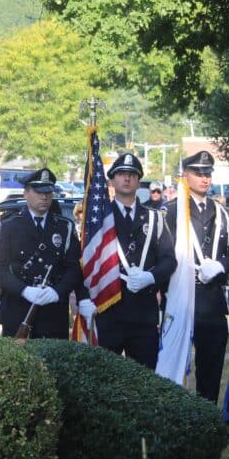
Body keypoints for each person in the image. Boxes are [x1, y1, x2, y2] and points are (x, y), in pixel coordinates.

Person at [163, 151, 229, 402]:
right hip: (181, 297)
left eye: (208, 173)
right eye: (198, 173)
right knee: (175, 364)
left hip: (212, 299)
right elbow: (162, 253)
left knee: (211, 365)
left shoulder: (220, 212)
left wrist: (221, 266)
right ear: (185, 176)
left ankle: (207, 415)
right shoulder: (170, 212)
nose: (204, 178)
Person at [93, 152, 176, 368]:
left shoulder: (155, 217)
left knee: (144, 380)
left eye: (132, 174)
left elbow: (169, 260)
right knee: (107, 378)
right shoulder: (100, 218)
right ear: (111, 180)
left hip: (143, 313)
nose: (126, 178)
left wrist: (151, 277)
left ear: (139, 181)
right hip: (110, 310)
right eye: (121, 174)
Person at [0, 168, 82, 338]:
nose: (44, 197)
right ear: (26, 193)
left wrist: (58, 291)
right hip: (18, 309)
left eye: (48, 192)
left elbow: (73, 268)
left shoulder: (64, 227)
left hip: (53, 310)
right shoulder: (10, 225)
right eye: (38, 191)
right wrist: (24, 290)